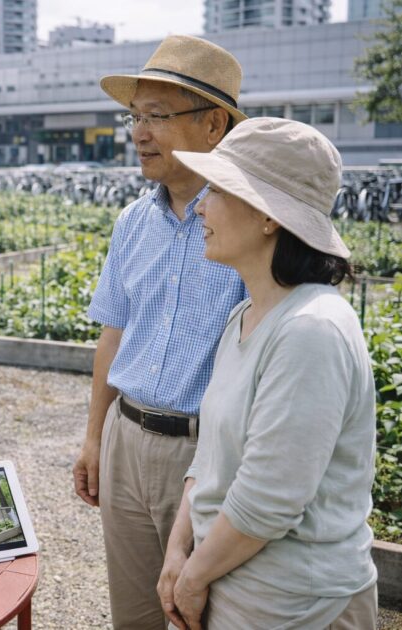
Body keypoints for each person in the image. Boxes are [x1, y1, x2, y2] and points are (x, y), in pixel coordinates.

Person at [156, 117, 377, 629]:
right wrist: (176, 550)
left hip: (291, 603)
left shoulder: (311, 330)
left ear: (268, 217)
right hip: (227, 581)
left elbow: (268, 502)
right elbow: (210, 456)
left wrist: (191, 579)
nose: (199, 205)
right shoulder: (247, 314)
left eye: (219, 190)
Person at [71, 35, 249, 628]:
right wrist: (96, 437)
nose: (139, 133)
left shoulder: (246, 223)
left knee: (201, 611)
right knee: (136, 613)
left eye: (158, 117)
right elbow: (113, 335)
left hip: (207, 451)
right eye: (134, 117)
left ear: (214, 125)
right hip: (127, 437)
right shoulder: (132, 221)